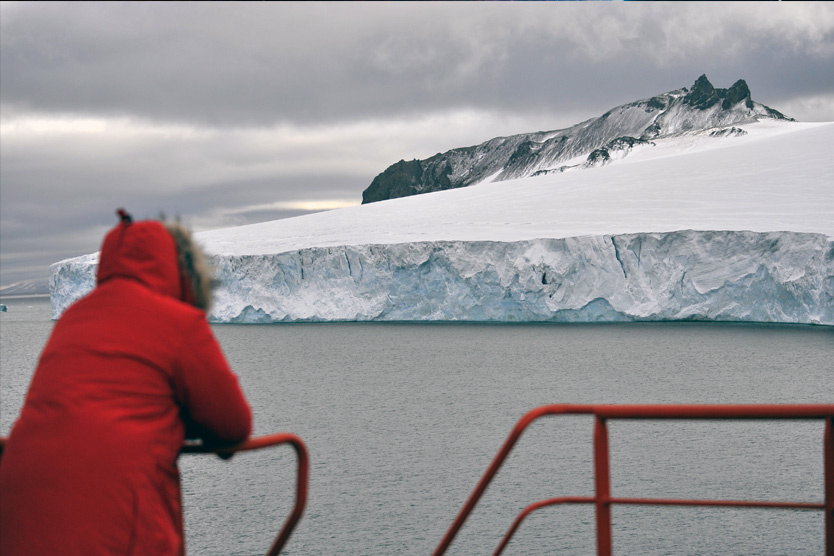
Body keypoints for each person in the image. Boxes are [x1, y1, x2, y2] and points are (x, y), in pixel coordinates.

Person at [0, 209, 252, 555]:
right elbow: (232, 426)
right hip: (114, 530)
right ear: (178, 268)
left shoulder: (73, 318)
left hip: (17, 520)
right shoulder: (178, 322)